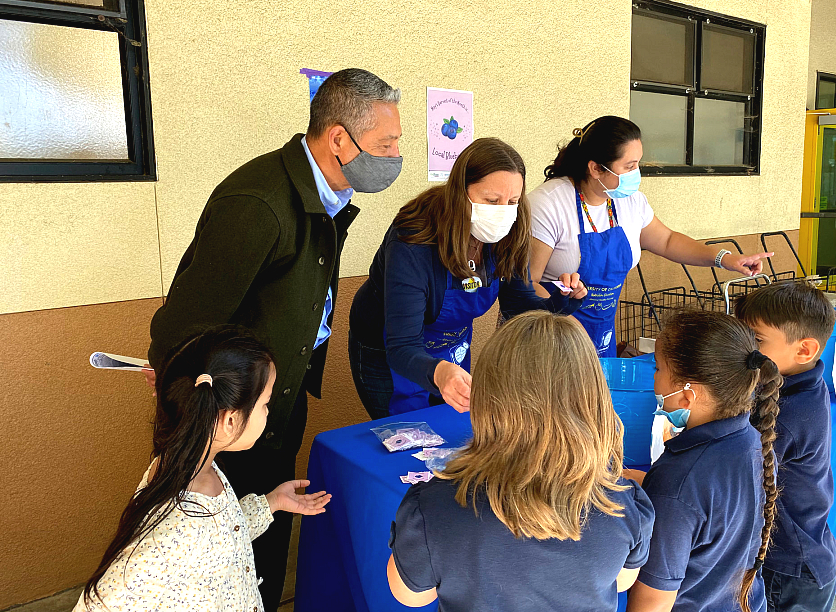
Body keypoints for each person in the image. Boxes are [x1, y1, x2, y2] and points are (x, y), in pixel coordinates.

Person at [144, 68, 402, 611]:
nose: (396, 154)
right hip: (228, 417)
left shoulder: (324, 195)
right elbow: (184, 324)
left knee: (265, 534)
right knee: (221, 556)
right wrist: (209, 412)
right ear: (339, 138)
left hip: (273, 405)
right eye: (387, 143)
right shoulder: (259, 202)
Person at [386, 310, 655, 611]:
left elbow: (410, 595)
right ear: (595, 400)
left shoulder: (433, 505)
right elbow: (623, 581)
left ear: (487, 400)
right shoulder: (622, 503)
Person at [75, 327, 331, 611]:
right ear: (230, 420)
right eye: (265, 404)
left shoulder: (193, 466)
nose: (268, 412)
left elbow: (219, 539)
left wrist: (272, 502)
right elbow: (105, 600)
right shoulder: (175, 529)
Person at [349, 137, 586, 419]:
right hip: (390, 350)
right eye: (491, 200)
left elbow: (518, 304)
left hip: (450, 349)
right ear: (460, 192)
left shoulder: (509, 230)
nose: (503, 211)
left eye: (512, 201)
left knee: (452, 430)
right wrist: (439, 371)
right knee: (407, 438)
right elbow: (401, 347)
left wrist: (562, 300)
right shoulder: (413, 240)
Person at [528, 116, 773, 357]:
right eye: (629, 166)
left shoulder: (629, 201)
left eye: (638, 163)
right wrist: (565, 324)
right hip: (547, 341)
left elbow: (666, 240)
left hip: (600, 337)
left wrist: (724, 259)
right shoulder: (549, 204)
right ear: (595, 168)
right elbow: (525, 283)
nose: (637, 173)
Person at [626, 310, 782, 612]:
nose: (654, 379)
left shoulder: (678, 481)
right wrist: (649, 484)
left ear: (687, 396)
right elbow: (714, 512)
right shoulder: (753, 440)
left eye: (658, 369)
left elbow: (652, 603)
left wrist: (662, 490)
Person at [735, 282, 836, 612]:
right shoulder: (800, 384)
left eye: (757, 340)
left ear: (804, 350)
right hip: (802, 554)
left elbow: (738, 474)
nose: (744, 349)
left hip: (789, 568)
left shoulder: (793, 414)